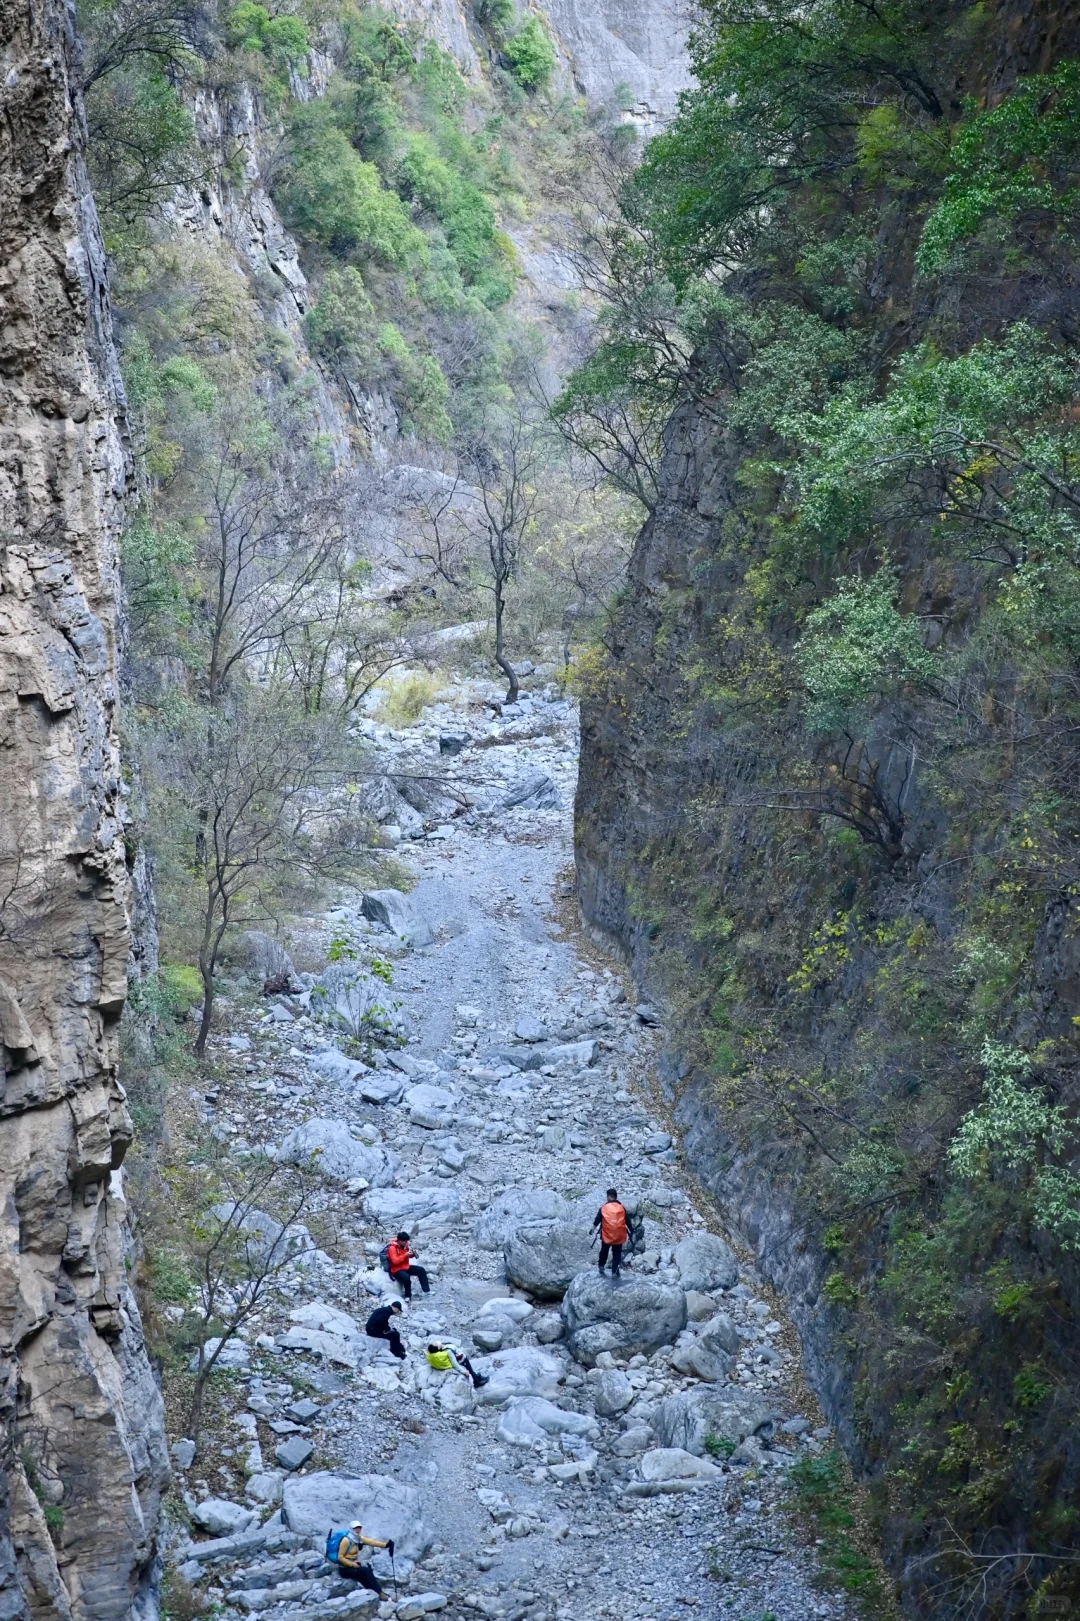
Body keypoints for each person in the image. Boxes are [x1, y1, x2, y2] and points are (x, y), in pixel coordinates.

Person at [335, 1521, 393, 1596]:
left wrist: (385, 1545)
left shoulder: (358, 1537)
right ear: (351, 1529)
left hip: (352, 1566)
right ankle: (380, 1593)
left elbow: (371, 1542)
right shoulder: (346, 1540)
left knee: (363, 1576)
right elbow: (340, 1557)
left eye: (359, 1528)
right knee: (367, 1571)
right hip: (344, 1569)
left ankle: (374, 1592)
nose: (358, 1530)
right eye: (355, 1528)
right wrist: (352, 1564)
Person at [592, 1188, 633, 1278]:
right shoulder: (621, 1208)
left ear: (609, 1197)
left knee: (604, 1250)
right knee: (617, 1253)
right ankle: (615, 1271)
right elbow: (627, 1220)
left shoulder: (604, 1208)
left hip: (607, 1234)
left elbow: (597, 1219)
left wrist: (592, 1229)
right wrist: (631, 1230)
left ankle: (601, 1266)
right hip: (619, 1235)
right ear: (615, 1197)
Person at [386, 1231, 430, 1300]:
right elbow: (395, 1261)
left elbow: (408, 1256)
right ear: (399, 1240)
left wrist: (412, 1254)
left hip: (405, 1267)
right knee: (406, 1277)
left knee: (421, 1270)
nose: (406, 1243)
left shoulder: (404, 1246)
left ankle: (426, 1291)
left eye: (406, 1241)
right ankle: (408, 1295)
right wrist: (406, 1254)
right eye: (404, 1241)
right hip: (396, 1270)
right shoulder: (392, 1248)